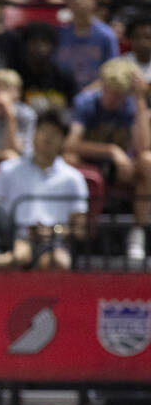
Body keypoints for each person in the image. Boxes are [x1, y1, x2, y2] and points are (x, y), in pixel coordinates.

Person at [64, 58, 151, 261]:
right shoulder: (85, 102)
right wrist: (111, 150)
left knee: (147, 162)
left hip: (122, 170)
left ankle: (137, 234)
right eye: (110, 91)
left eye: (120, 95)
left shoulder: (132, 106)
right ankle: (73, 233)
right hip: (90, 166)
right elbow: (70, 145)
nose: (114, 99)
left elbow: (142, 148)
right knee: (67, 159)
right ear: (102, 85)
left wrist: (139, 100)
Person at [0, 108, 89, 271]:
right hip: (11, 240)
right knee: (16, 255)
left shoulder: (74, 178)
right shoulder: (7, 170)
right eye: (43, 131)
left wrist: (53, 231)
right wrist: (20, 233)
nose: (48, 137)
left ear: (63, 140)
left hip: (54, 243)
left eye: (55, 133)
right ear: (34, 134)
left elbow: (79, 228)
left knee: (58, 262)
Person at [57, 0, 118, 92]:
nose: (78, 0)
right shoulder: (60, 33)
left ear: (95, 1)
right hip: (63, 93)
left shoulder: (106, 36)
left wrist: (86, 94)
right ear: (67, 1)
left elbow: (111, 73)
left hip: (95, 96)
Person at [16, 23, 78, 113]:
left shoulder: (64, 75)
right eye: (34, 41)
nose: (39, 47)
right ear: (25, 45)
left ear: (53, 46)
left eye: (44, 41)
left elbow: (73, 107)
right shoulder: (18, 75)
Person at [119, 16, 151, 83]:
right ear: (130, 39)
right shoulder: (121, 63)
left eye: (148, 37)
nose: (142, 42)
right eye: (137, 37)